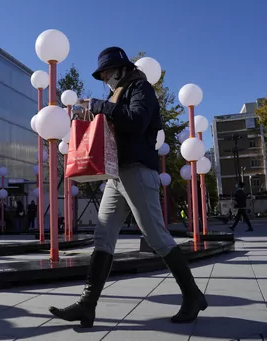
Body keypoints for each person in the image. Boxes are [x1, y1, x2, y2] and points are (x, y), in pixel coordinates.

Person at [49, 47, 207, 327]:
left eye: (109, 72)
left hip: (137, 171)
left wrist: (100, 106)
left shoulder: (140, 88)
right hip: (116, 174)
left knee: (156, 236)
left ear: (122, 69)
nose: (106, 77)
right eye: (103, 74)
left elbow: (136, 121)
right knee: (103, 235)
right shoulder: (117, 95)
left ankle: (192, 295)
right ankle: (87, 304)